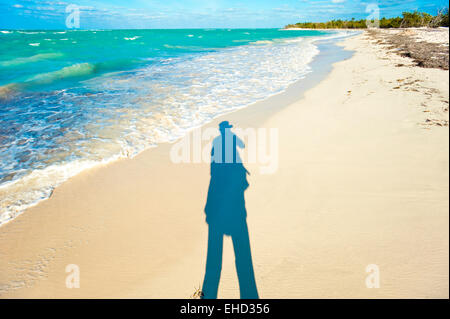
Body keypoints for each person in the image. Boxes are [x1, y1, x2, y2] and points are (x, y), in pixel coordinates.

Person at [202, 121, 259, 299]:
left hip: (216, 214)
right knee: (243, 261)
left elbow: (212, 160)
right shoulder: (234, 158)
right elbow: (243, 145)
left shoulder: (217, 146)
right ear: (229, 130)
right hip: (237, 215)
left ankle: (208, 297)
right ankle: (249, 297)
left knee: (213, 262)